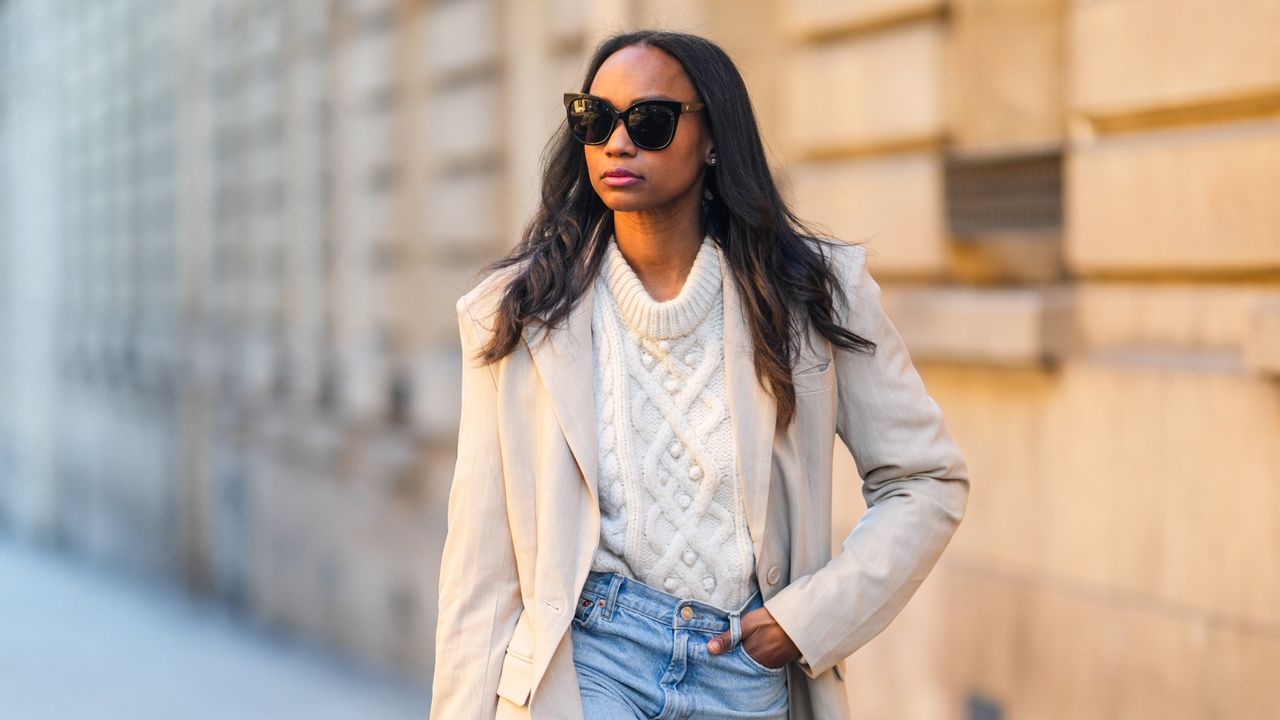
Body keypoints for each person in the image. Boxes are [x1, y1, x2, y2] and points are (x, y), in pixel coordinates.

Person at [429, 29, 970, 720]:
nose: (617, 143)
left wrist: (806, 621)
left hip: (740, 668)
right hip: (590, 662)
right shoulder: (518, 315)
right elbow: (480, 574)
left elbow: (926, 480)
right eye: (594, 120)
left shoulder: (810, 295)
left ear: (713, 138)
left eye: (649, 122)